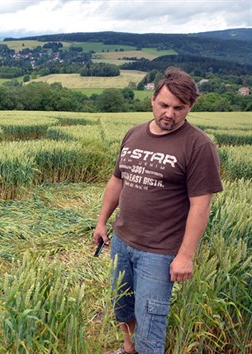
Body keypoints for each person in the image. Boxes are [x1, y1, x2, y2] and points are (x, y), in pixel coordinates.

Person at [93, 67, 223, 354]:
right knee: (122, 305)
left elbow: (200, 207)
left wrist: (186, 256)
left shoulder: (199, 146)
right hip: (122, 241)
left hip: (159, 252)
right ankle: (128, 349)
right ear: (152, 100)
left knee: (151, 322)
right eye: (164, 105)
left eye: (179, 108)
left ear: (190, 107)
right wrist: (102, 222)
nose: (170, 113)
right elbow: (117, 180)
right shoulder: (134, 134)